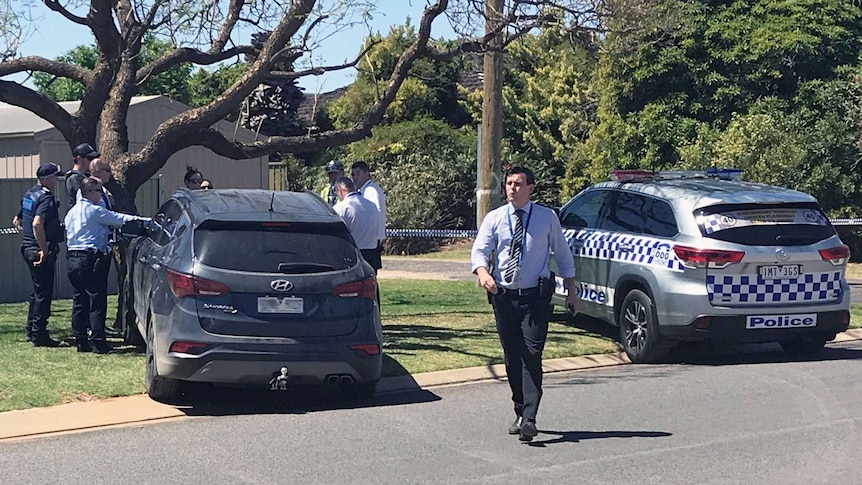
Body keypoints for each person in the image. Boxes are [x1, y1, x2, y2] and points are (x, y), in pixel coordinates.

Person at [470, 166, 579, 442]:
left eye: (518, 184)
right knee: (512, 356)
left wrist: (571, 291)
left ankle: (530, 418)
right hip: (504, 297)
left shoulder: (546, 217)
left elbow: (563, 254)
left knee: (531, 354)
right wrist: (483, 273)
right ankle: (519, 409)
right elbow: (480, 251)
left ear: (531, 188)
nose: (512, 189)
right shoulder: (495, 219)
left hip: (535, 298)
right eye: (508, 184)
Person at [65, 177, 150, 353]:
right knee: (96, 300)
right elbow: (119, 219)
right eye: (99, 191)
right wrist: (146, 221)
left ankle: (81, 340)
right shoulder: (94, 211)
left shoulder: (71, 212)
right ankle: (98, 342)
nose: (101, 194)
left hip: (73, 258)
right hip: (91, 258)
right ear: (89, 192)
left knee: (79, 300)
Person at [19, 163, 66, 347]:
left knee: (37, 291)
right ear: (47, 178)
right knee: (43, 294)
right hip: (39, 250)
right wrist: (43, 248)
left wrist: (30, 239)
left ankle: (31, 330)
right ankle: (39, 335)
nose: (56, 180)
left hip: (27, 248)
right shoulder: (46, 198)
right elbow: (37, 223)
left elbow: (18, 220)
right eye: (54, 176)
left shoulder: (30, 194)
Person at [332, 177, 380, 268]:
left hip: (352, 254)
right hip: (372, 253)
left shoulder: (340, 208)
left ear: (339, 190)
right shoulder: (372, 205)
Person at [349, 160, 386, 270]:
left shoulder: (371, 190)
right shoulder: (362, 190)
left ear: (367, 173)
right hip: (366, 241)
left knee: (369, 274)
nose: (354, 177)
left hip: (370, 242)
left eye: (358, 173)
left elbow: (375, 213)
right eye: (353, 174)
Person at [66, 143, 100, 208]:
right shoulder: (74, 178)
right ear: (79, 159)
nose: (92, 161)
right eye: (90, 158)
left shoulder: (85, 175)